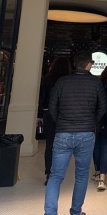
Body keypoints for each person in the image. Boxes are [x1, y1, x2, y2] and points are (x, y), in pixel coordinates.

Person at [44, 52, 107, 215]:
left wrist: (60, 122)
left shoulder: (62, 81)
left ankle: (49, 214)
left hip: (63, 133)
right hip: (86, 134)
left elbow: (52, 107)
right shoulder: (95, 82)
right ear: (88, 64)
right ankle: (76, 212)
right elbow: (103, 107)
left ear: (74, 64)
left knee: (55, 175)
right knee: (81, 175)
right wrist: (92, 122)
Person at [37, 57, 71, 185]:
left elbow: (41, 99)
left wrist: (40, 116)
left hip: (48, 114)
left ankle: (49, 173)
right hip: (64, 114)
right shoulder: (68, 81)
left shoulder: (47, 79)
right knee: (64, 145)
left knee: (50, 144)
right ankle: (59, 172)